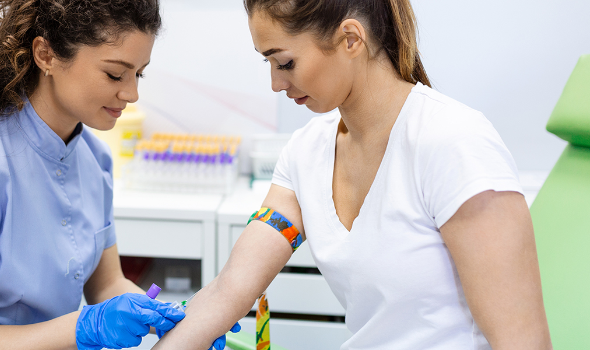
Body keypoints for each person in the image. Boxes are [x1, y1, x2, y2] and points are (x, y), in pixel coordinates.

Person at [152, 0, 552, 349]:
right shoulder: (305, 154)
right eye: (269, 63)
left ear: (350, 39)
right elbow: (229, 291)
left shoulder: (453, 144)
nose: (275, 83)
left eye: (285, 62)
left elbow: (524, 343)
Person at [0, 1, 233, 349]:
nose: (131, 94)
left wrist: (171, 318)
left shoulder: (93, 158)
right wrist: (85, 326)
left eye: (138, 74)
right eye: (115, 74)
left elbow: (107, 284)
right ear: (46, 55)